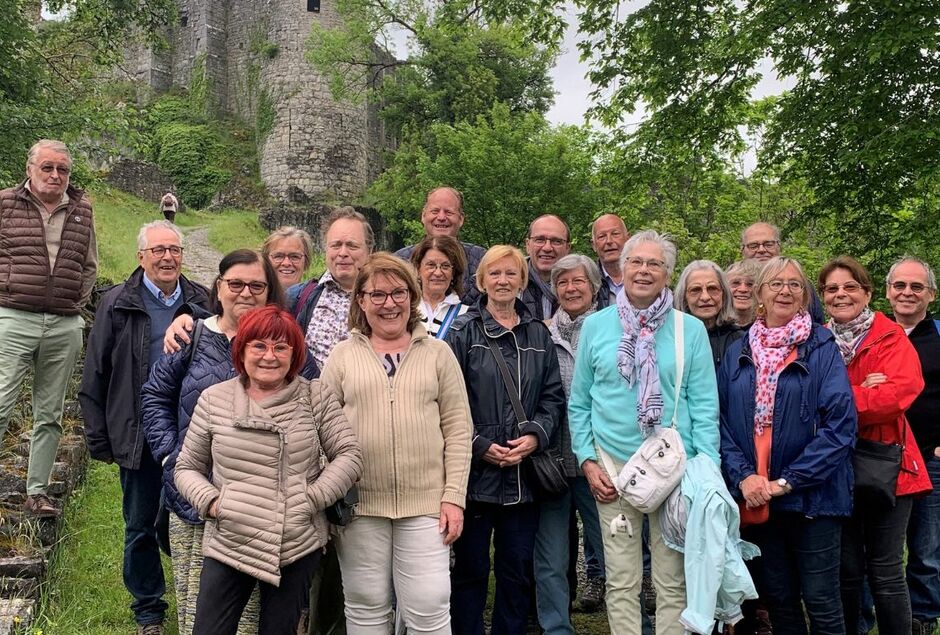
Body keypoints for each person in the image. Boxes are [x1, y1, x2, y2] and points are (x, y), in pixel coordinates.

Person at [140, 249, 303, 635]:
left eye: (257, 285)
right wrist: (169, 456)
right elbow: (154, 396)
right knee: (198, 612)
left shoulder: (282, 341)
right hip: (196, 497)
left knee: (249, 617)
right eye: (235, 284)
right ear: (219, 287)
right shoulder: (193, 336)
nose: (245, 292)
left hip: (258, 506)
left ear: (270, 291)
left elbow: (310, 404)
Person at [176, 305, 363, 635]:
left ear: (294, 353)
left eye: (281, 347)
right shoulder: (214, 399)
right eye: (259, 345)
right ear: (242, 349)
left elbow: (348, 455)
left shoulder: (314, 396)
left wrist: (312, 499)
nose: (269, 356)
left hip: (294, 542)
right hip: (230, 538)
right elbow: (187, 467)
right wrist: (213, 503)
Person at [568, 230, 720, 635]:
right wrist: (586, 459)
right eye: (636, 262)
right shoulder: (597, 328)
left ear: (667, 273)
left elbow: (704, 406)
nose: (644, 270)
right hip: (613, 469)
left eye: (655, 264)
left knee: (673, 581)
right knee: (622, 581)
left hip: (675, 471)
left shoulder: (691, 331)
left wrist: (706, 473)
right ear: (623, 267)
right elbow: (580, 401)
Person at [321, 253, 473, 633]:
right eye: (377, 295)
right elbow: (321, 428)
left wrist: (453, 496)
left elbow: (457, 429)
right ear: (361, 300)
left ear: (413, 296)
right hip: (360, 505)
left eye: (398, 293)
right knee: (365, 604)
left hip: (426, 503)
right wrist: (330, 493)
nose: (389, 304)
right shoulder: (342, 357)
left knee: (429, 604)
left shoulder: (438, 354)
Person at [79, 221, 209, 635]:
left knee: (190, 519)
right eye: (158, 250)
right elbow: (96, 371)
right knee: (139, 525)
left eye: (174, 250)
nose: (168, 257)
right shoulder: (117, 302)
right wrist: (100, 437)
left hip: (191, 431)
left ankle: (201, 598)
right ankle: (149, 609)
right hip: (136, 432)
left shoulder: (201, 301)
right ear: (142, 257)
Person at [719, 256, 856, 635]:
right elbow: (721, 424)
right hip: (757, 496)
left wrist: (789, 481)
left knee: (822, 600)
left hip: (813, 497)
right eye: (776, 283)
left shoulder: (822, 345)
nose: (785, 290)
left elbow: (840, 427)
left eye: (795, 284)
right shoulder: (737, 349)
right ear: (760, 293)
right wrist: (744, 476)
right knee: (779, 599)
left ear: (804, 295)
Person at [446, 245, 565, 635]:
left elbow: (552, 397)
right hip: (475, 475)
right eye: (494, 274)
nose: (502, 281)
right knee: (471, 570)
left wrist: (535, 436)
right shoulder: (463, 333)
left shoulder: (537, 334)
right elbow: (448, 400)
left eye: (510, 274)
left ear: (522, 280)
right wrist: (479, 444)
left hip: (524, 476)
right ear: (481, 280)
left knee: (516, 571)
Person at [819, 256, 931, 634]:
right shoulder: (817, 339)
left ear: (867, 293)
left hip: (889, 468)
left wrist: (838, 401)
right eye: (832, 288)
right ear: (823, 297)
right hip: (835, 469)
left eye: (850, 287)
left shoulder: (890, 336)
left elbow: (897, 397)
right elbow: (805, 401)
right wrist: (861, 392)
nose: (841, 294)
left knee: (885, 571)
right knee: (847, 570)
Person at [0, 139, 97, 517]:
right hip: (13, 315)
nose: (56, 175)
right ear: (30, 169)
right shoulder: (5, 203)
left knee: (51, 413)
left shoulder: (81, 209)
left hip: (63, 322)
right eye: (48, 167)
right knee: (2, 402)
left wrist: (75, 305)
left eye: (63, 169)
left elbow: (89, 265)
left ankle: (37, 492)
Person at [535, 254, 608, 633]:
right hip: (551, 461)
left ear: (594, 287)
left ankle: (634, 622)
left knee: (616, 550)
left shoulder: (613, 330)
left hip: (599, 460)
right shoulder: (541, 332)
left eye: (578, 281)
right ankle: (556, 628)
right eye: (563, 283)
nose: (571, 288)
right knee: (550, 557)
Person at [885, 257, 940, 635]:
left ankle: (922, 618)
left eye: (916, 287)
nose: (907, 293)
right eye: (900, 285)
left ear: (931, 295)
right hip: (879, 457)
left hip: (930, 458)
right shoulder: (875, 333)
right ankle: (866, 614)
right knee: (877, 546)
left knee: (926, 548)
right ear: (888, 291)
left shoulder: (938, 334)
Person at [293, 206, 374, 369]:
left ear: (369, 250)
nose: (343, 253)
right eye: (336, 245)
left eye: (352, 245)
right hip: (311, 392)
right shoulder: (298, 297)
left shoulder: (388, 299)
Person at [395, 187, 485, 305]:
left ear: (461, 219)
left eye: (449, 212)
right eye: (435, 211)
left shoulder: (482, 260)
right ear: (423, 216)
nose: (441, 217)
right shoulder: (399, 261)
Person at [740, 222, 824, 323]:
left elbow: (819, 324)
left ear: (779, 247)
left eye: (768, 244)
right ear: (743, 251)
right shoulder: (733, 287)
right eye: (753, 246)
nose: (761, 250)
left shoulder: (800, 285)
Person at [674, 260, 744, 368]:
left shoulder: (740, 340)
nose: (705, 297)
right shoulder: (673, 339)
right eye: (695, 290)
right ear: (684, 298)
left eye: (712, 288)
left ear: (724, 295)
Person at [409, 235, 469, 339]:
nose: (438, 272)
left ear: (453, 273)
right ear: (418, 269)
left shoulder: (466, 315)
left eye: (445, 266)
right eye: (431, 265)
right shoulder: (405, 310)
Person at [520, 215, 571, 321]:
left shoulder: (582, 286)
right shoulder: (510, 283)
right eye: (539, 240)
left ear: (567, 248)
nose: (547, 248)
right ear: (528, 245)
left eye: (556, 241)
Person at [590, 214, 629, 308]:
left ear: (628, 239)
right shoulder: (587, 280)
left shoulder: (643, 275)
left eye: (615, 234)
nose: (609, 241)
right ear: (594, 245)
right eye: (602, 236)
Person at [261, 226, 313, 293]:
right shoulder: (252, 298)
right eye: (278, 256)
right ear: (266, 261)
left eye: (295, 257)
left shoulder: (315, 300)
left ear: (306, 262)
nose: (286, 263)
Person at [726, 260, 762, 328]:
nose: (743, 289)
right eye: (736, 283)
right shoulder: (712, 326)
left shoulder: (771, 327)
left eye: (750, 284)